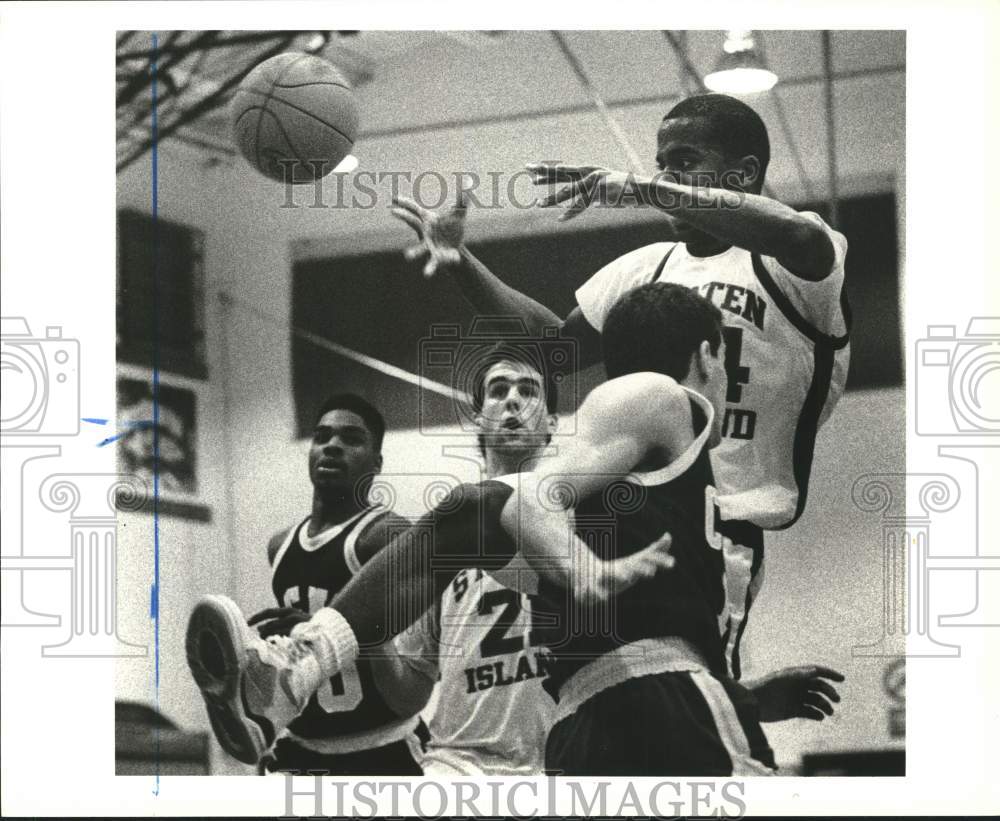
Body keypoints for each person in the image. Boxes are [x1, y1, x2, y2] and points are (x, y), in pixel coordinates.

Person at [186, 288, 842, 774]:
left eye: (528, 390)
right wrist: (569, 558)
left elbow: (523, 511)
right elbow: (524, 501)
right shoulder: (658, 396)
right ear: (707, 354)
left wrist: (741, 697)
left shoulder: (644, 490)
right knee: (469, 514)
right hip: (579, 728)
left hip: (603, 725)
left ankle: (292, 670)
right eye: (498, 391)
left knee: (469, 513)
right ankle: (292, 672)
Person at [389, 92, 851, 679]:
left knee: (683, 699)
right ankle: (310, 654)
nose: (664, 175)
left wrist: (636, 188)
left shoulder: (797, 260)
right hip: (619, 507)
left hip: (713, 527)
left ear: (746, 173)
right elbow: (553, 351)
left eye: (683, 160)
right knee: (477, 515)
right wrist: (460, 261)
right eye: (660, 163)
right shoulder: (645, 267)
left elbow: (797, 235)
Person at [186, 393, 423, 774]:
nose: (332, 446)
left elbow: (410, 663)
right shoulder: (280, 546)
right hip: (302, 748)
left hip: (379, 746)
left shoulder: (389, 534)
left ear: (376, 463)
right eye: (322, 436)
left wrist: (318, 625)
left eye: (351, 439)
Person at [371, 344, 559, 776]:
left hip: (564, 762)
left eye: (529, 390)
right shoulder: (444, 535)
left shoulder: (584, 519)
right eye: (498, 390)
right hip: (459, 766)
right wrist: (372, 633)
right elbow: (409, 694)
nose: (512, 399)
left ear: (551, 423)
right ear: (479, 418)